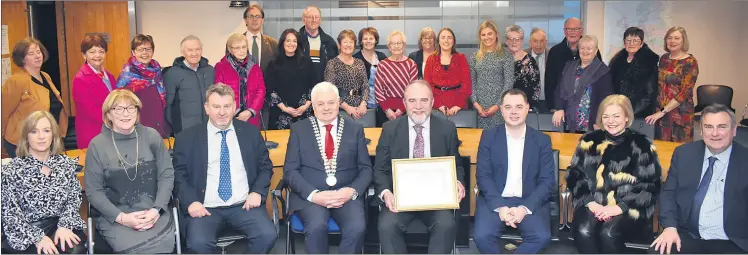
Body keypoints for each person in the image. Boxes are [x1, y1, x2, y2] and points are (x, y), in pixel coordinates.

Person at [172, 83, 277, 254]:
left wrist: (257, 192)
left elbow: (265, 166)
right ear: (207, 108)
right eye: (216, 107)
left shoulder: (250, 132)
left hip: (243, 205)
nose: (222, 112)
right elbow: (178, 175)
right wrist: (191, 201)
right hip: (205, 207)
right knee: (198, 244)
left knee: (267, 235)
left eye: (227, 106)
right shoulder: (187, 138)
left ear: (234, 107)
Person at [374, 80, 466, 254]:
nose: (418, 106)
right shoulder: (390, 129)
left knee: (446, 224)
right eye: (412, 100)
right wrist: (386, 193)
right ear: (404, 102)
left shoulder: (447, 128)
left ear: (432, 102)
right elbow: (380, 169)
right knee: (387, 226)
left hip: (436, 199)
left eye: (424, 100)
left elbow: (457, 165)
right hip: (400, 199)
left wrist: (458, 182)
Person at [283, 82, 373, 253]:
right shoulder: (298, 130)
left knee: (356, 228)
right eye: (320, 104)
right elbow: (290, 171)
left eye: (331, 103)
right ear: (313, 105)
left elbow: (366, 169)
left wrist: (352, 191)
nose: (326, 108)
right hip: (311, 196)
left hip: (345, 194)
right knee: (316, 227)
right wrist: (313, 195)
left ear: (339, 102)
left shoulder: (355, 129)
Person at [566, 95, 662, 254]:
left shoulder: (642, 144)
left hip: (628, 208)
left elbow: (651, 185)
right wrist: (591, 203)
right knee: (584, 230)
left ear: (626, 118)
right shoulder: (589, 140)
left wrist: (619, 207)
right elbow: (574, 174)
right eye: (606, 116)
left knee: (608, 233)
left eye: (616, 116)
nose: (611, 121)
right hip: (593, 204)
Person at [84, 89, 176, 253]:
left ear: (137, 111)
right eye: (118, 109)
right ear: (108, 115)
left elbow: (166, 175)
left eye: (131, 108)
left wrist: (156, 210)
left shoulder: (151, 136)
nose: (125, 114)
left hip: (154, 213)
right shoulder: (97, 145)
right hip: (116, 218)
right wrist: (123, 218)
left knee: (164, 245)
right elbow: (93, 192)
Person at [650, 104, 748, 254]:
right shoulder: (684, 154)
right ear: (701, 131)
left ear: (734, 130)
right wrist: (670, 227)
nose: (715, 133)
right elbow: (668, 193)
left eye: (722, 127)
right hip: (687, 235)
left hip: (733, 241)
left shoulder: (745, 160)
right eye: (709, 127)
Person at [473, 89, 555, 254]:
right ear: (501, 110)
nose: (514, 112)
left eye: (519, 106)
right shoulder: (488, 137)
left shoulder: (542, 140)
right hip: (496, 198)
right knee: (482, 236)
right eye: (508, 107)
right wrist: (500, 206)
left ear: (527, 108)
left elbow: (547, 181)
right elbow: (483, 176)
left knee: (541, 236)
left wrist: (524, 208)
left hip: (528, 199)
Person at [1, 111, 86, 254]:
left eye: (46, 131)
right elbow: (10, 214)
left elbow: (74, 198)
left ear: (53, 135)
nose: (41, 136)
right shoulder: (12, 171)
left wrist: (65, 225)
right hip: (26, 230)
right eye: (34, 131)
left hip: (61, 224)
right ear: (26, 137)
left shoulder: (65, 164)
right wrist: (38, 237)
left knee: (74, 249)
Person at [2, 37, 69, 158]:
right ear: (22, 59)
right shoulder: (16, 80)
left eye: (38, 52)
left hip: (46, 140)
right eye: (31, 54)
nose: (37, 56)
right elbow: (4, 113)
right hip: (22, 143)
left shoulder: (45, 76)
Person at [645, 26, 699, 143]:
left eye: (677, 38)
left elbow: (684, 93)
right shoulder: (664, 59)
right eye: (669, 38)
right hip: (662, 114)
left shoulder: (690, 62)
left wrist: (662, 111)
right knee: (662, 147)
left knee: (681, 150)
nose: (672, 41)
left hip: (680, 113)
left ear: (683, 41)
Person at [552, 35, 613, 133]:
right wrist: (559, 108)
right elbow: (559, 89)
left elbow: (606, 99)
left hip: (591, 123)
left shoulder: (603, 71)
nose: (585, 51)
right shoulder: (568, 66)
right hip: (567, 121)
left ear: (596, 50)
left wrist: (600, 120)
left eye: (589, 48)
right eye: (582, 48)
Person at [116, 34, 171, 138]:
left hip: (159, 122)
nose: (144, 53)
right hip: (138, 125)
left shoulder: (157, 69)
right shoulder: (127, 74)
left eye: (148, 49)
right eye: (140, 49)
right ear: (133, 52)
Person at [545, 18, 601, 111]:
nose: (572, 32)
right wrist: (552, 106)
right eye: (569, 29)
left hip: (587, 106)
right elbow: (550, 81)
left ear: (582, 30)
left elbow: (599, 77)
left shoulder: (592, 50)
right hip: (561, 106)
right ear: (564, 31)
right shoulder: (555, 51)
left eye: (576, 29)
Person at [265, 29, 316, 130]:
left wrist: (306, 105)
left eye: (294, 41)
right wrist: (284, 108)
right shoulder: (273, 64)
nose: (291, 43)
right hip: (280, 114)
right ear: (282, 42)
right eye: (288, 40)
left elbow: (314, 85)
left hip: (304, 112)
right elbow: (270, 89)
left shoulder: (307, 62)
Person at [164, 35, 215, 134]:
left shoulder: (210, 70)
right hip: (184, 130)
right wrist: (175, 128)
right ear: (183, 52)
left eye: (197, 49)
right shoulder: (172, 73)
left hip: (209, 127)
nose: (194, 53)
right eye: (190, 50)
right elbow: (168, 105)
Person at [72, 35, 115, 149]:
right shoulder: (80, 79)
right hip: (93, 134)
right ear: (84, 55)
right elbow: (89, 110)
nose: (97, 55)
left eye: (101, 51)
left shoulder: (110, 76)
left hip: (111, 131)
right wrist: (115, 118)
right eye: (92, 52)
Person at [215, 33, 266, 129]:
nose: (241, 51)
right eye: (237, 48)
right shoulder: (221, 67)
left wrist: (251, 111)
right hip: (229, 117)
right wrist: (235, 112)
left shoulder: (255, 67)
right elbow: (219, 92)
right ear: (230, 50)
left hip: (251, 117)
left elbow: (261, 90)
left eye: (244, 47)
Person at [469, 20, 514, 129]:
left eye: (490, 34)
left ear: (496, 35)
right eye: (483, 35)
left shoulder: (506, 55)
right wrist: (476, 104)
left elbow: (509, 83)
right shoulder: (475, 56)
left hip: (499, 108)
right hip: (479, 109)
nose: (486, 37)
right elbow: (471, 82)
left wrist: (497, 105)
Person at [608, 27, 659, 118]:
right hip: (617, 112)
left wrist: (629, 112)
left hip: (638, 114)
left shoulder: (649, 63)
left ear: (642, 43)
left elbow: (649, 94)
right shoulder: (617, 62)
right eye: (628, 40)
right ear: (624, 42)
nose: (631, 44)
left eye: (636, 40)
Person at [425, 28, 472, 117]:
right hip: (436, 106)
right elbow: (428, 85)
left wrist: (458, 105)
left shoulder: (461, 58)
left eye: (449, 37)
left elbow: (467, 83)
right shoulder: (431, 59)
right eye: (443, 37)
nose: (446, 41)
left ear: (453, 41)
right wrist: (438, 105)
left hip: (458, 106)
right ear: (438, 41)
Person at [374, 30, 418, 124]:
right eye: (393, 43)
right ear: (389, 47)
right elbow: (378, 90)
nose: (396, 46)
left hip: (406, 110)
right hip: (384, 111)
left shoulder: (411, 64)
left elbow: (413, 90)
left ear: (404, 45)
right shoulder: (382, 65)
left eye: (399, 43)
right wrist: (387, 110)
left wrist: (401, 110)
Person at [324, 30, 369, 120]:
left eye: (351, 42)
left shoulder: (359, 63)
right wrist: (347, 107)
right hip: (340, 109)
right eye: (345, 42)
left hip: (360, 109)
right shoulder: (332, 63)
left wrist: (363, 103)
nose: (348, 45)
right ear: (339, 45)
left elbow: (365, 86)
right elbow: (330, 90)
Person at [298, 5, 339, 84]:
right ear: (304, 19)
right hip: (301, 88)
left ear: (320, 20)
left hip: (323, 89)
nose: (314, 20)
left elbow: (336, 67)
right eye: (310, 17)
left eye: (316, 17)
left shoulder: (329, 42)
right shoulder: (296, 41)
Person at [506, 25, 541, 109]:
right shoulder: (502, 59)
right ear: (507, 41)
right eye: (511, 39)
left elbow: (536, 89)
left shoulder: (530, 61)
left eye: (517, 39)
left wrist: (529, 107)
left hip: (524, 109)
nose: (514, 42)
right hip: (504, 108)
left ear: (522, 41)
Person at [353, 27, 387, 110]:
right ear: (361, 41)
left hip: (382, 103)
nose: (368, 41)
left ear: (376, 40)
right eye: (365, 39)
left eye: (371, 38)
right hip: (362, 105)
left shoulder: (382, 57)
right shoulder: (355, 59)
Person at [243, 4, 278, 71]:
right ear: (245, 20)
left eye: (258, 16)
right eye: (251, 16)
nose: (254, 19)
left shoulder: (273, 44)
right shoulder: (234, 42)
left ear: (262, 20)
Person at [526, 28, 550, 112]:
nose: (538, 45)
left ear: (546, 42)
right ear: (530, 42)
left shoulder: (553, 55)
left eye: (542, 41)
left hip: (548, 103)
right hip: (527, 103)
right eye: (535, 41)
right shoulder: (522, 56)